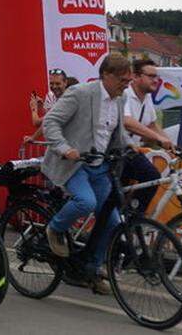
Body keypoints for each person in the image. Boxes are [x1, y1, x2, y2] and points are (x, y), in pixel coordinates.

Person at [40, 53, 132, 295]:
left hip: (99, 167)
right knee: (86, 201)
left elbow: (116, 136)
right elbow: (50, 123)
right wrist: (65, 148)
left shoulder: (120, 101)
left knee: (112, 221)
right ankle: (55, 228)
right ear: (106, 75)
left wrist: (132, 148)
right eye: (123, 79)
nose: (127, 84)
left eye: (129, 80)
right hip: (73, 164)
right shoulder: (81, 93)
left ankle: (89, 268)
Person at [120, 59, 175, 214]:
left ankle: (127, 221)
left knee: (120, 194)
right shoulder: (125, 94)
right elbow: (127, 122)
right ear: (136, 77)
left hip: (130, 151)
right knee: (150, 175)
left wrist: (172, 144)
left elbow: (151, 125)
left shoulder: (146, 97)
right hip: (120, 149)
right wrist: (159, 139)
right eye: (151, 76)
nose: (156, 80)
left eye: (157, 77)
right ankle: (132, 217)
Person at [26, 68, 69, 143]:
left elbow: (39, 122)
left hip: (70, 143)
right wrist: (41, 107)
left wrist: (34, 109)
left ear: (65, 83)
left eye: (58, 83)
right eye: (51, 83)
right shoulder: (51, 95)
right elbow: (49, 116)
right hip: (58, 142)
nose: (54, 87)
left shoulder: (69, 99)